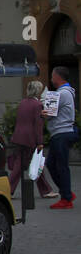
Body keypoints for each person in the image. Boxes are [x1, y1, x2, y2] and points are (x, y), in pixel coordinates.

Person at [7, 81, 52, 198]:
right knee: (27, 164)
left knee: (28, 163)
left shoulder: (23, 102)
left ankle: (45, 189)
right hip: (29, 138)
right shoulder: (37, 105)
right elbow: (38, 125)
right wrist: (40, 142)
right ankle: (9, 189)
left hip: (19, 136)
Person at [45, 66, 77, 209]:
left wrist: (42, 113)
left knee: (60, 166)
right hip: (59, 133)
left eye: (52, 76)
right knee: (52, 164)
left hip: (61, 133)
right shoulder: (64, 93)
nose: (51, 78)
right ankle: (66, 192)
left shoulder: (61, 94)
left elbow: (49, 114)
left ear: (58, 77)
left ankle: (66, 198)